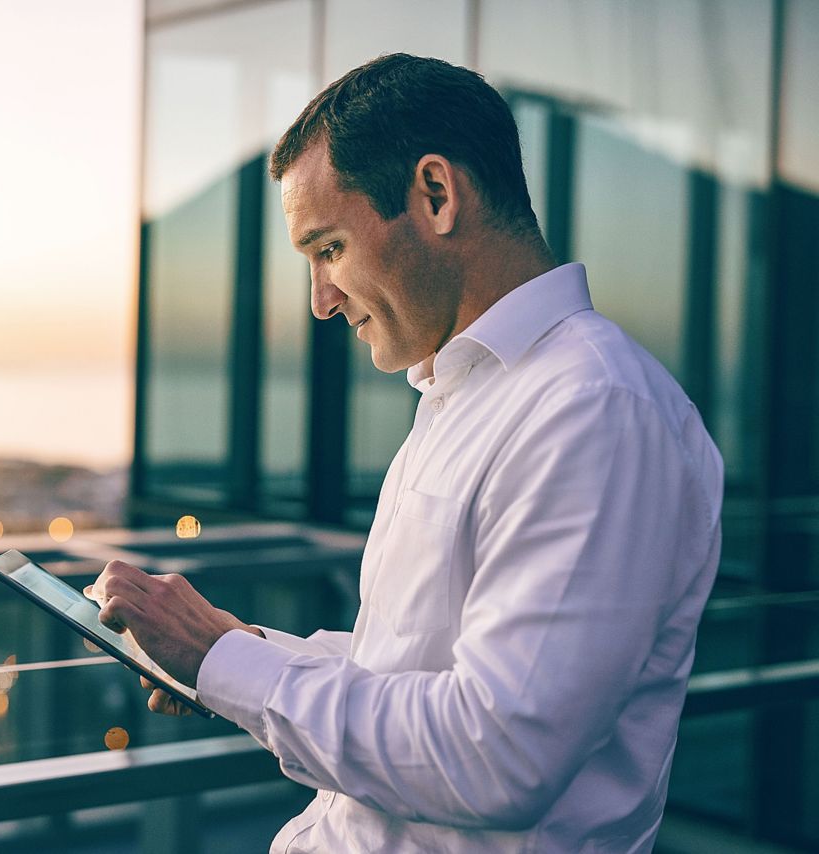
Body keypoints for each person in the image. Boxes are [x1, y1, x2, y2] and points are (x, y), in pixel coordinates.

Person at [89, 53, 723, 852]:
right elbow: (416, 671)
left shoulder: (594, 411)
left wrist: (224, 662)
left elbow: (500, 753)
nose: (320, 301)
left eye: (328, 250)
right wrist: (240, 654)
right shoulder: (469, 397)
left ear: (435, 194)